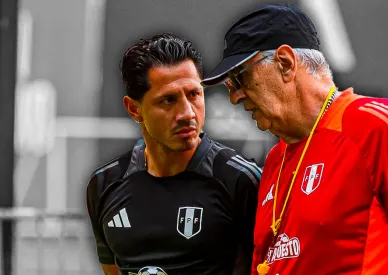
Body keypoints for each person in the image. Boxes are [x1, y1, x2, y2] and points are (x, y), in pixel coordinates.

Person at [201, 4, 388, 275]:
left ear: (285, 63)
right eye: (230, 87)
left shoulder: (374, 126)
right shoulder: (275, 160)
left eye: (240, 78)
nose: (235, 97)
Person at [86, 33, 260, 275]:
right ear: (134, 109)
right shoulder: (104, 184)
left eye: (194, 94)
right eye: (168, 100)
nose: (187, 113)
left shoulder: (241, 180)